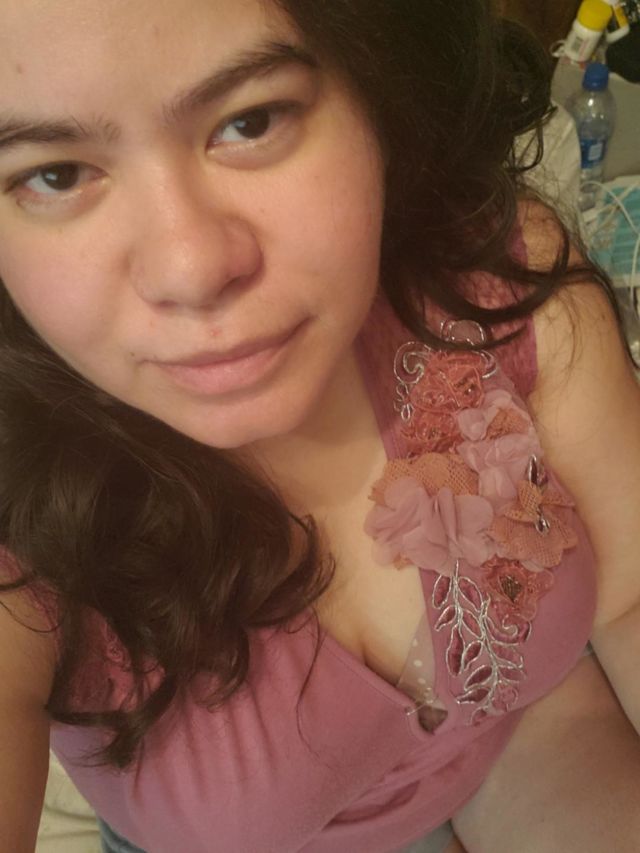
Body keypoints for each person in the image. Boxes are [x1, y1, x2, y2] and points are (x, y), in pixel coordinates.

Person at [0, 1, 639, 851]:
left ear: (379, 87)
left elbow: (629, 599)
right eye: (54, 174)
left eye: (251, 120)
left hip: (529, 734)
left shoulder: (497, 283)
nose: (191, 270)